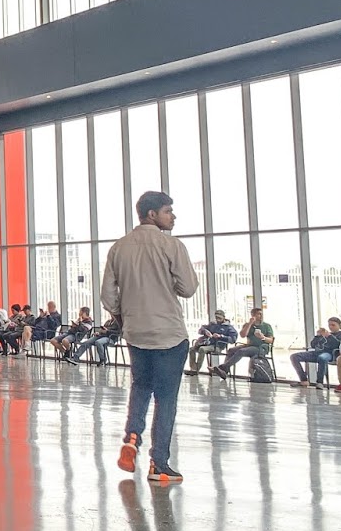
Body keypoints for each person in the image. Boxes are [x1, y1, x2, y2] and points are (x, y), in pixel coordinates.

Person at [102, 190, 199, 484]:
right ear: (152, 214)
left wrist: (124, 319)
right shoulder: (171, 245)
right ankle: (159, 464)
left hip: (136, 332)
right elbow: (188, 288)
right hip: (169, 333)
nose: (173, 216)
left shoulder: (118, 248)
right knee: (166, 399)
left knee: (140, 386)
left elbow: (108, 296)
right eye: (168, 211)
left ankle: (132, 437)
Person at [212, 308, 274, 380]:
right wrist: (250, 324)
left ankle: (223, 367)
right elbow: (243, 335)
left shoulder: (266, 326)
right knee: (231, 350)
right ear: (253, 315)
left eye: (261, 314)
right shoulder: (247, 325)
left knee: (241, 351)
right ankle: (224, 371)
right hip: (250, 346)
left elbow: (271, 340)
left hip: (260, 348)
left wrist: (263, 337)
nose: (261, 316)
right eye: (259, 314)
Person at [291, 317, 341, 387]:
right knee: (294, 357)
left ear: (339, 325)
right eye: (329, 325)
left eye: (333, 325)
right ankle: (303, 380)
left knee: (322, 358)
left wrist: (329, 336)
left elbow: (338, 345)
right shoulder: (324, 334)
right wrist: (318, 336)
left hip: (330, 353)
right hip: (317, 352)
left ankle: (319, 382)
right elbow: (313, 345)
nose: (331, 327)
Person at [188, 310, 239, 374]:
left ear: (224, 317)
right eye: (216, 317)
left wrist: (221, 336)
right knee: (192, 349)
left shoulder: (228, 327)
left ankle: (196, 369)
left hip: (217, 346)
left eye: (219, 318)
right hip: (206, 343)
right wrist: (205, 331)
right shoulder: (212, 324)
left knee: (202, 349)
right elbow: (201, 330)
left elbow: (233, 339)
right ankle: (193, 368)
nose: (218, 320)